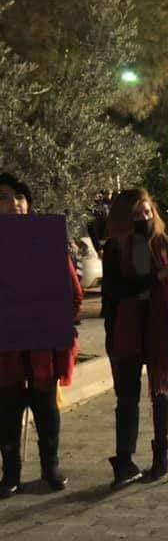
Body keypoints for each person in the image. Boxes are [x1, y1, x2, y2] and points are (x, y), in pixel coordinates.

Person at [0, 173, 81, 498]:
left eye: (20, 196)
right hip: (5, 351)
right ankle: (11, 473)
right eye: (5, 197)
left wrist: (58, 322)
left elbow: (72, 292)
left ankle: (51, 466)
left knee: (46, 410)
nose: (14, 203)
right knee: (6, 413)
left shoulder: (46, 242)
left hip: (41, 350)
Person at [102, 189, 168, 488]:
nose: (143, 218)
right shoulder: (115, 248)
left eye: (147, 212)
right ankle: (125, 461)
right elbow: (115, 290)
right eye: (136, 214)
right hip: (127, 327)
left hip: (158, 326)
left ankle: (161, 456)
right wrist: (156, 277)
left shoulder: (164, 243)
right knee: (127, 397)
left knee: (161, 392)